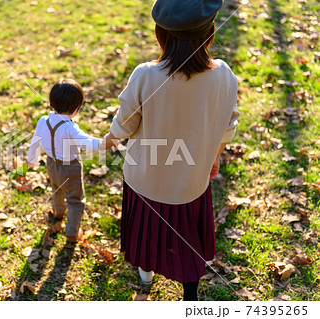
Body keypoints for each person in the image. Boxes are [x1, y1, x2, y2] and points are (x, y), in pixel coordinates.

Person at [101, 0, 239, 301]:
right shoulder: (225, 75)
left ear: (159, 35)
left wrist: (105, 141)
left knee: (147, 232)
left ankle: (146, 274)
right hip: (191, 181)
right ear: (210, 33)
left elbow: (124, 124)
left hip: (146, 179)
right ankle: (190, 292)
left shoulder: (146, 74)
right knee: (187, 237)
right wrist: (214, 158)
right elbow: (229, 123)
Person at [27, 79, 103, 242]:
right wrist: (106, 142)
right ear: (76, 109)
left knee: (57, 190)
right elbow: (89, 143)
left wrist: (32, 158)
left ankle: (59, 212)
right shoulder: (70, 128)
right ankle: (72, 233)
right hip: (70, 168)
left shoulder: (43, 121)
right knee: (75, 200)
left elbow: (35, 141)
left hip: (51, 164)